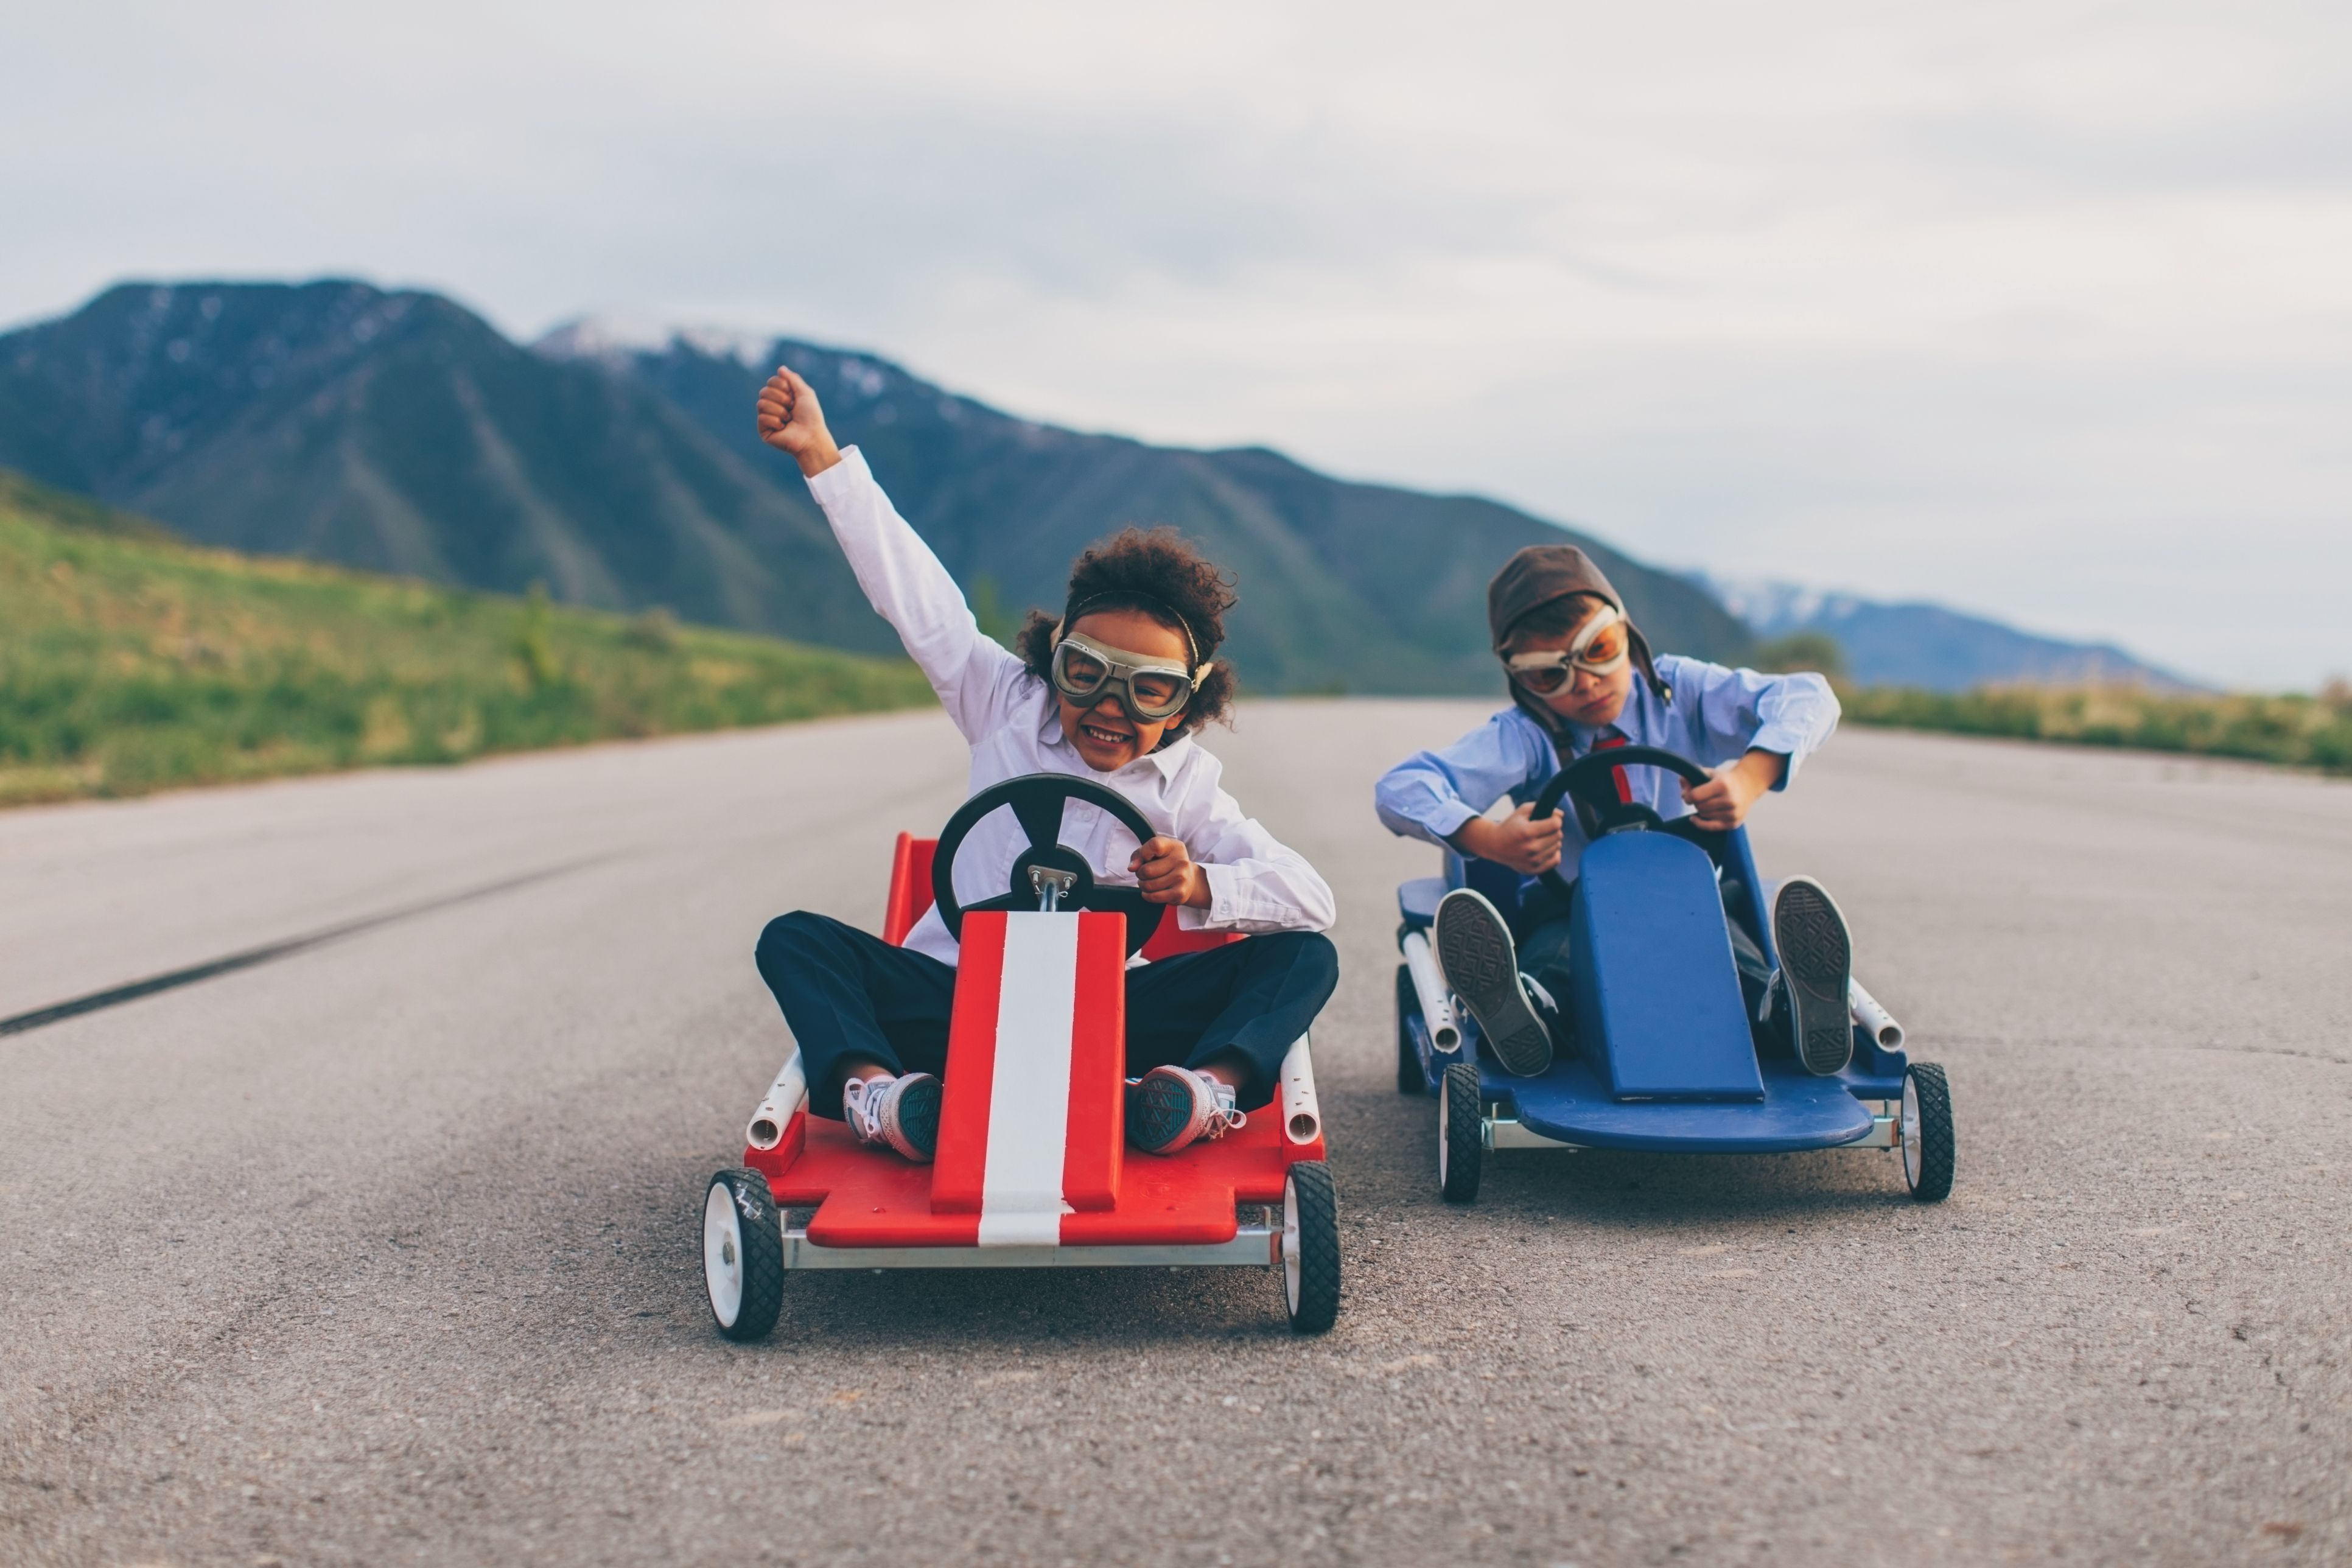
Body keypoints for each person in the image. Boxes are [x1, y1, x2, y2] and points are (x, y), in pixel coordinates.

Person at [751, 366, 1339, 1164]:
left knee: (1305, 956)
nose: (1110, 707)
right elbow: (917, 600)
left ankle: (1204, 1094)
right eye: (1087, 673)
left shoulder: (1191, 786)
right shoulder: (1001, 704)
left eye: (1149, 690)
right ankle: (878, 1096)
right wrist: (822, 456)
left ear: (1186, 702)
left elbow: (1312, 898)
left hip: (1107, 1019)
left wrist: (1201, 884)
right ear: (1053, 658)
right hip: (955, 1006)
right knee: (796, 940)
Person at [1374, 545, 1855, 1078]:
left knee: (1729, 965)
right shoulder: (1523, 734)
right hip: (1569, 908)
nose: (1585, 683)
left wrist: (1749, 777)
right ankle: (1526, 1013)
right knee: (1556, 968)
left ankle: (1787, 1009)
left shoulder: (1682, 693)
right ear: (1519, 680)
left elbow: (1810, 696)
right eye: (1547, 676)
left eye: (1598, 649)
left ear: (1625, 630)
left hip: (1694, 901)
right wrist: (1489, 839)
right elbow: (1400, 788)